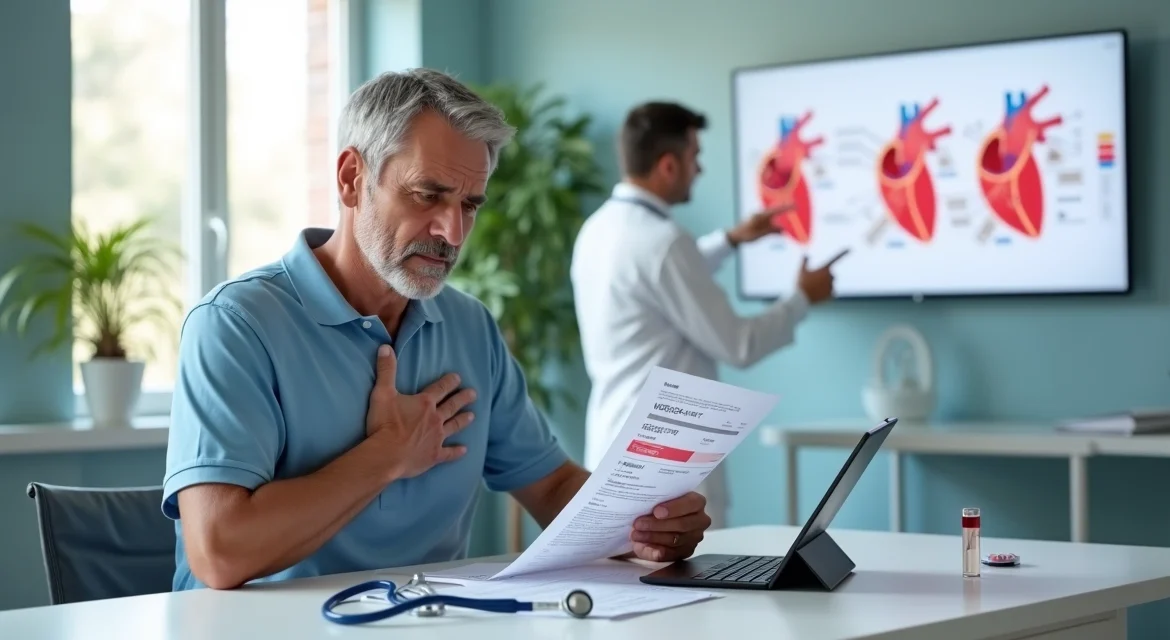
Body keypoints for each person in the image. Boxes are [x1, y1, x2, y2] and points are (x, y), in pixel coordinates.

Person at [161, 70, 711, 591]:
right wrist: (387, 454)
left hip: (431, 621)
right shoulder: (236, 325)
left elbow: (550, 486)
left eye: (470, 204)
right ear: (353, 179)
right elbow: (219, 552)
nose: (452, 231)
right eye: (427, 194)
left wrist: (644, 524)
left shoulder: (469, 326)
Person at [570, 101, 846, 529]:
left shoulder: (599, 230)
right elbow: (740, 344)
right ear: (668, 165)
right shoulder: (664, 242)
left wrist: (732, 240)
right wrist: (802, 298)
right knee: (690, 591)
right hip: (664, 467)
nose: (699, 169)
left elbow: (660, 284)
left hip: (613, 450)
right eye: (694, 156)